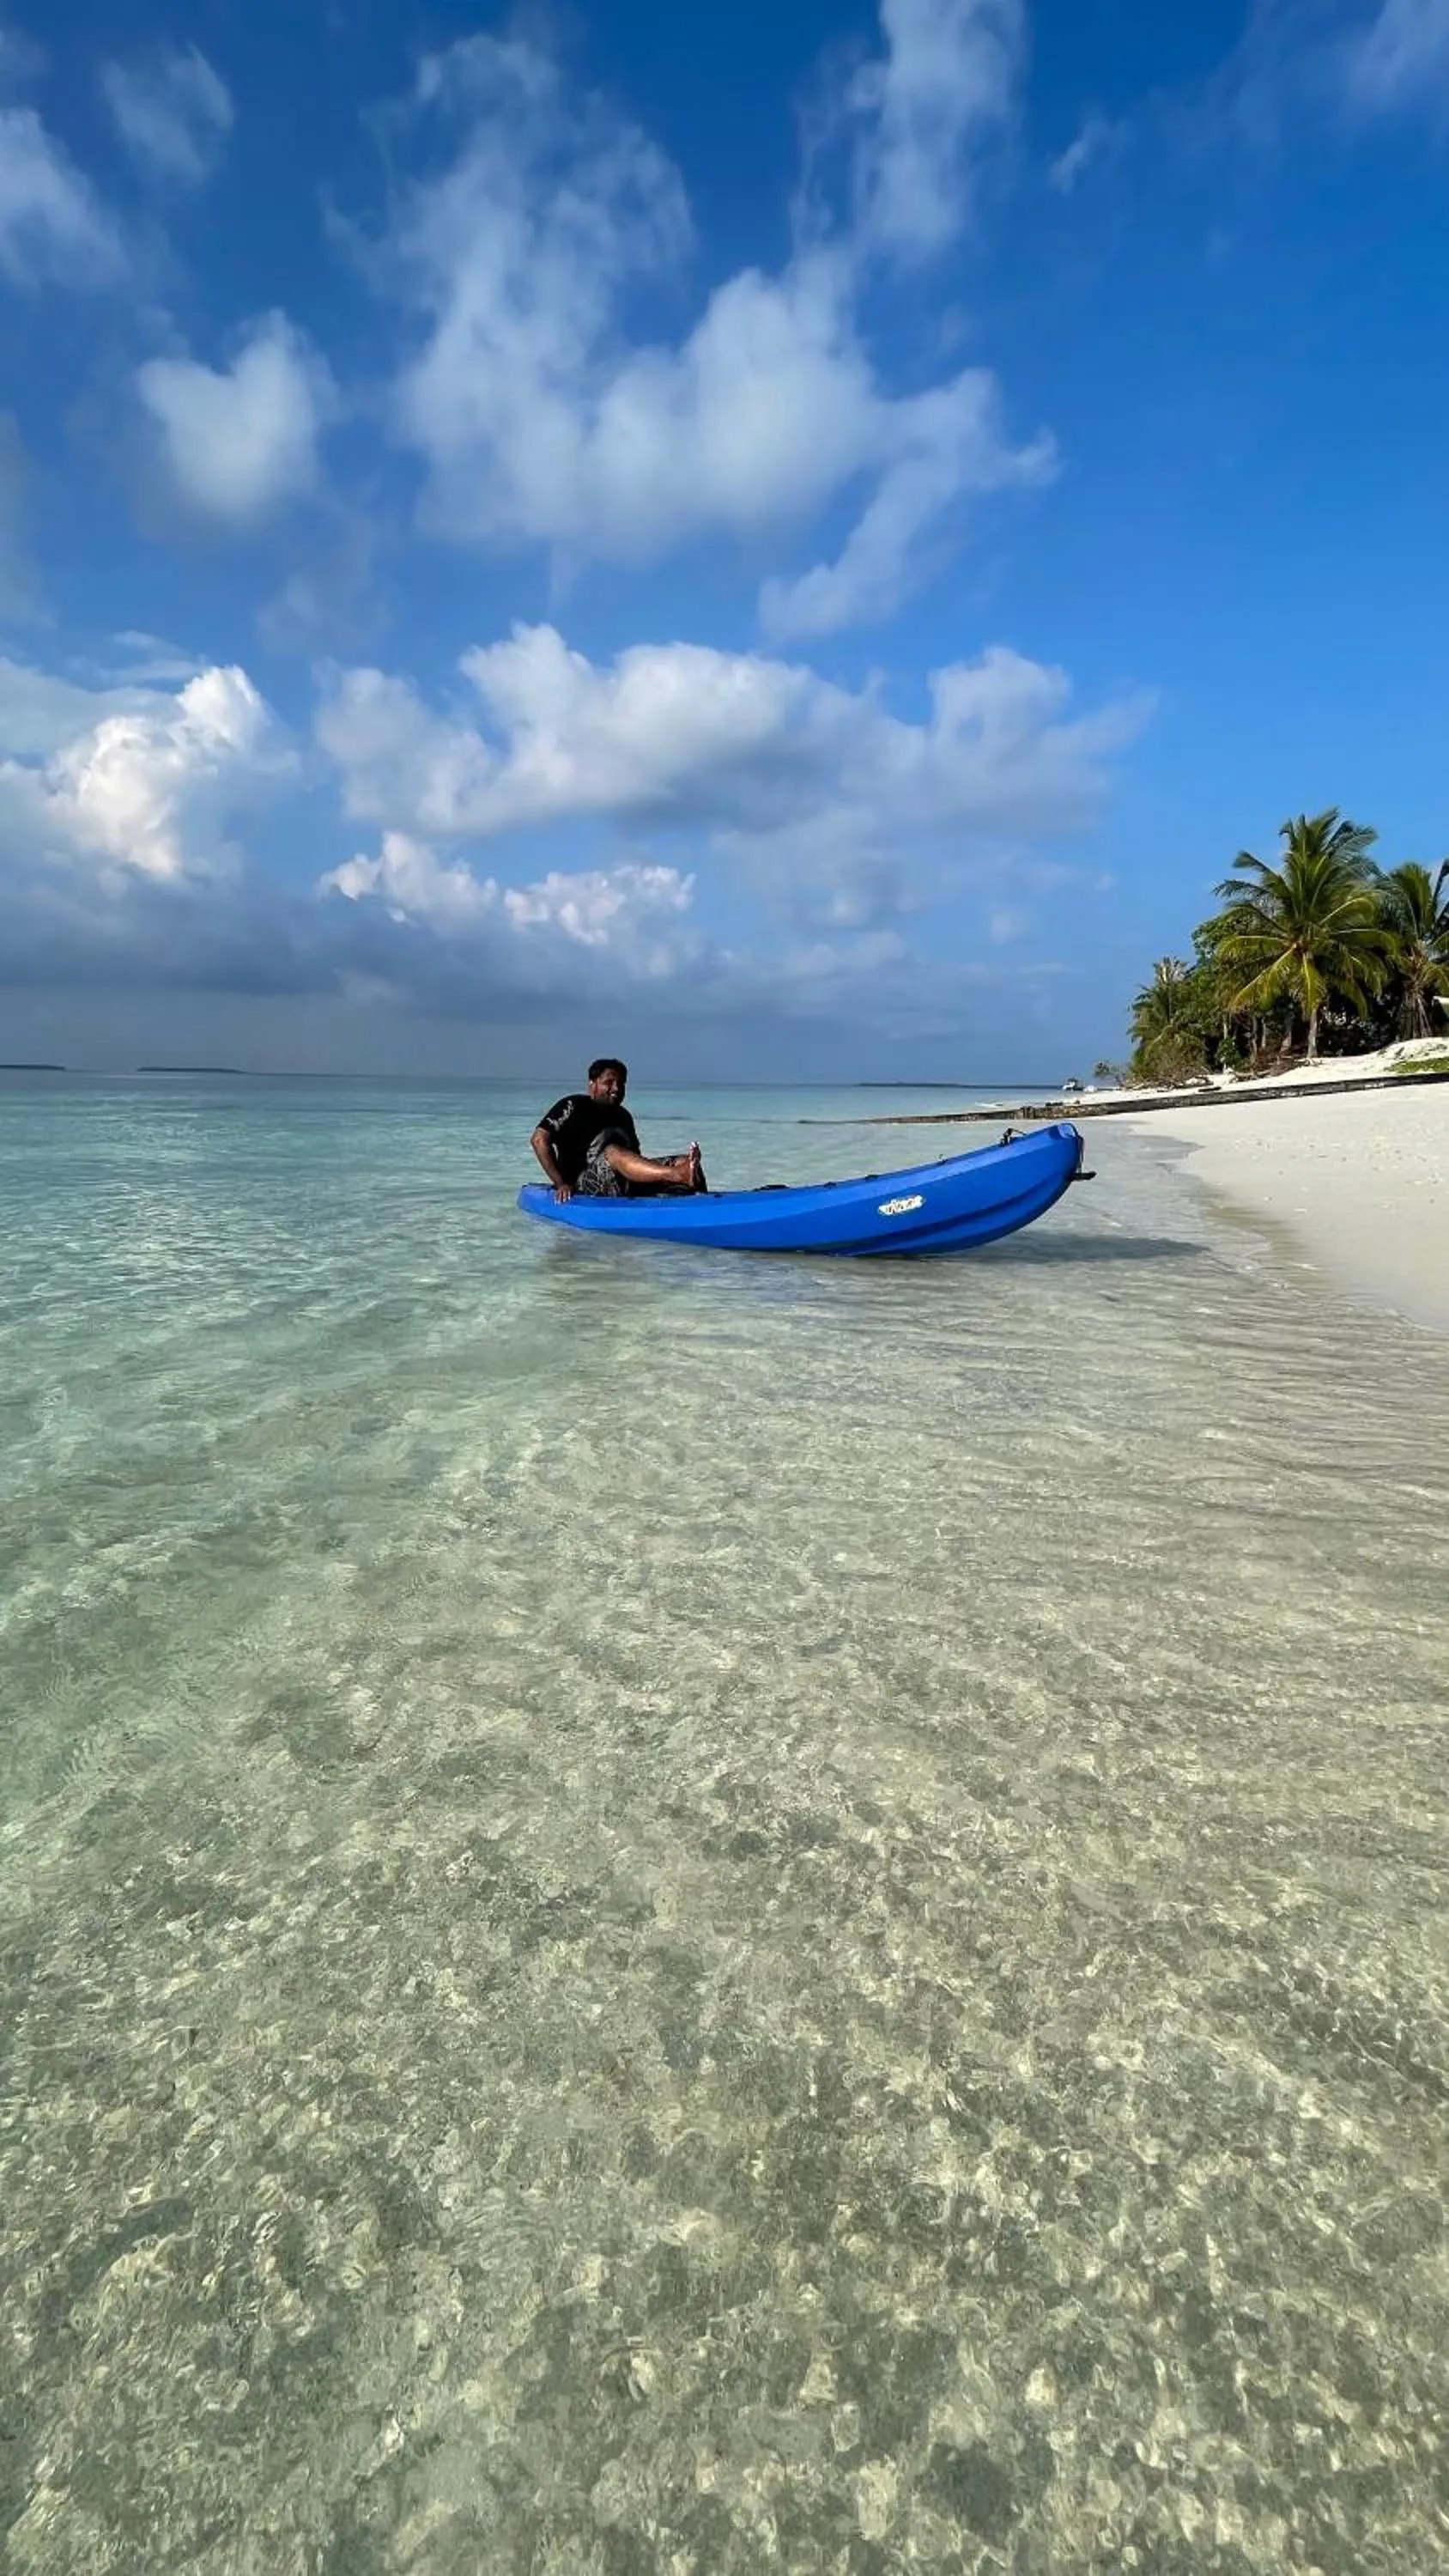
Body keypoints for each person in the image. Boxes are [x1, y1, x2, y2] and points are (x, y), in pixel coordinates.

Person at [530, 1059, 707, 1201]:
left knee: (685, 1161)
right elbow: (539, 1140)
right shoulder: (573, 1106)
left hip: (621, 1183)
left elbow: (635, 1158)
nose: (616, 1088)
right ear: (592, 1084)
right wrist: (560, 1184)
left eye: (621, 1084)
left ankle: (703, 1205)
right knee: (613, 1152)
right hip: (582, 1186)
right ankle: (677, 1175)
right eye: (609, 1082)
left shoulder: (624, 1116)